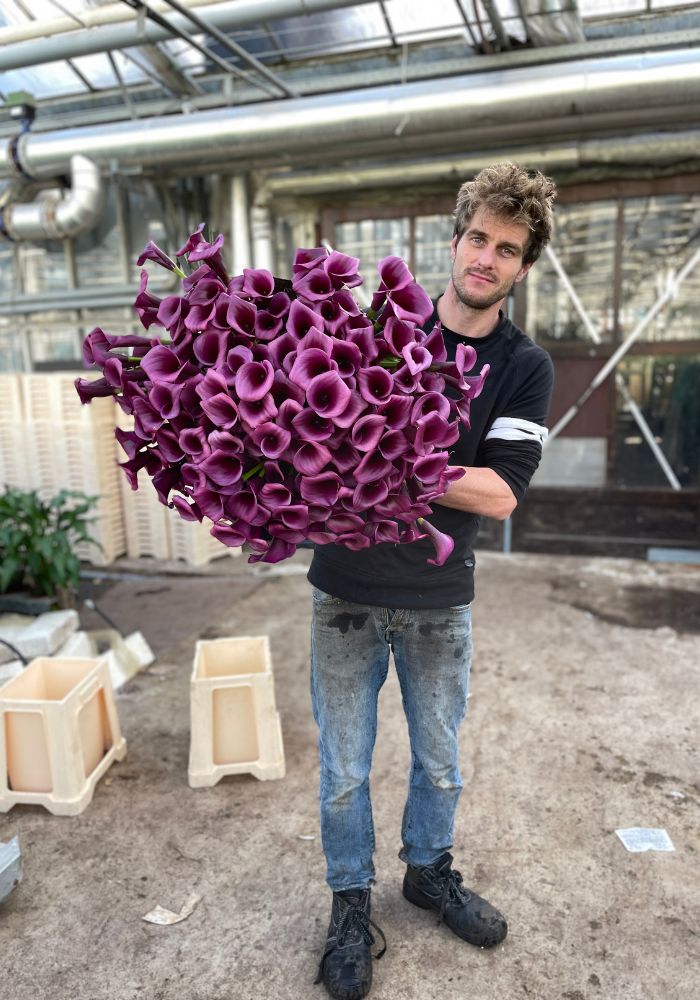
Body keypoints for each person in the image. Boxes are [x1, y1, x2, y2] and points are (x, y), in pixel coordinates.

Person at [308, 162, 557, 1000]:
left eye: (507, 248)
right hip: (343, 587)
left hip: (438, 600)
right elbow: (314, 415)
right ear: (455, 241)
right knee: (343, 768)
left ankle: (426, 872)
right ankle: (349, 900)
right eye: (477, 237)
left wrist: (390, 456)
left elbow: (500, 490)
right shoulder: (383, 324)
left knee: (440, 764)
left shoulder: (524, 367)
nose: (486, 257)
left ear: (524, 268)